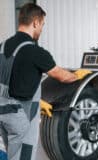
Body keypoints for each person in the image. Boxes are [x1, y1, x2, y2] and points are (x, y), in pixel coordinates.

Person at [0, 3, 91, 160]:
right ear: (35, 22)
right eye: (42, 24)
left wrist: (38, 102)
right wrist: (77, 75)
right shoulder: (36, 52)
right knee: (23, 157)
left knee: (12, 153)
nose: (41, 29)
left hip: (3, 114)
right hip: (20, 118)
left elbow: (14, 78)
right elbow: (61, 76)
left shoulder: (2, 47)